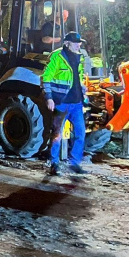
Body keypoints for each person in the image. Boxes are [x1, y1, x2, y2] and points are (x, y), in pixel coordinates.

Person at [41, 31, 88, 176]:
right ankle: (54, 164)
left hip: (76, 103)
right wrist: (49, 98)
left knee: (80, 133)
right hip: (61, 103)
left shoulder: (80, 58)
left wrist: (83, 90)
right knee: (57, 135)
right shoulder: (57, 56)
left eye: (80, 42)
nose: (79, 45)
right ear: (67, 43)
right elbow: (45, 78)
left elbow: (77, 77)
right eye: (76, 42)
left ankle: (74, 163)